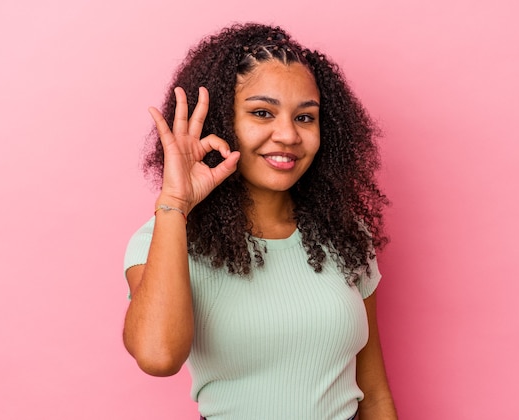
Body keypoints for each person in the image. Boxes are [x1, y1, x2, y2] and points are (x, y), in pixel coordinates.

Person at [123, 22, 397, 419]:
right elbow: (158, 356)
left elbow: (373, 394)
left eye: (305, 118)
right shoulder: (167, 236)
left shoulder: (345, 234)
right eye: (262, 113)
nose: (287, 134)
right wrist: (174, 205)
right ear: (221, 122)